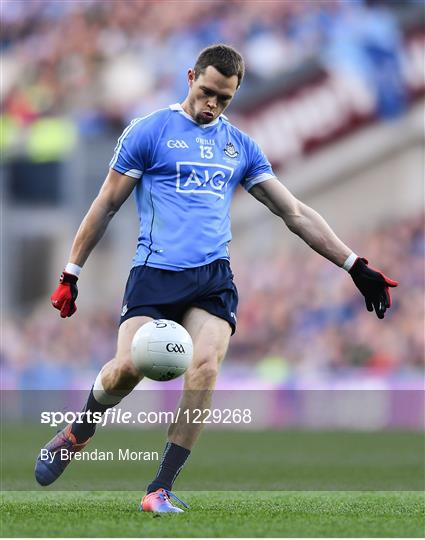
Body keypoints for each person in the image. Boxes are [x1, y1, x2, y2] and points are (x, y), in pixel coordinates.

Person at [35, 44, 398, 512]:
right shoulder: (149, 132)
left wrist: (354, 265)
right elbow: (106, 204)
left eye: (223, 99)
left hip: (212, 278)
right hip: (154, 274)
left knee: (205, 366)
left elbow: (294, 211)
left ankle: (159, 487)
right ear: (190, 77)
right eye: (207, 92)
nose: (212, 105)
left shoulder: (240, 146)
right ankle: (80, 429)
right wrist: (71, 272)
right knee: (126, 369)